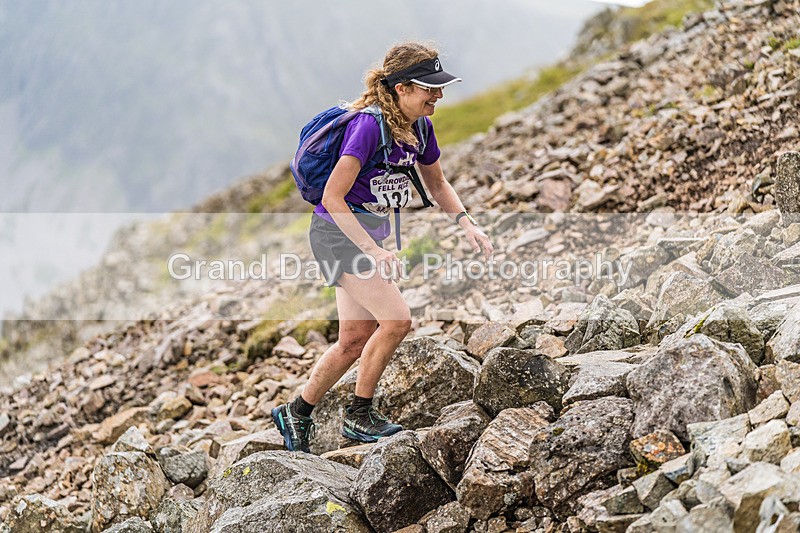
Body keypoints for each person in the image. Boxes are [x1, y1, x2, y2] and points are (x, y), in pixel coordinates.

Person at [272, 41, 493, 453]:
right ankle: (359, 415)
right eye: (430, 88)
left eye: (440, 86)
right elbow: (334, 199)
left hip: (363, 236)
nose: (439, 95)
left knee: (354, 339)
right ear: (402, 88)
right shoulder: (369, 127)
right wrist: (372, 252)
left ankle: (296, 412)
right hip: (337, 235)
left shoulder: (420, 128)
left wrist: (467, 223)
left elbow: (438, 183)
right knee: (396, 320)